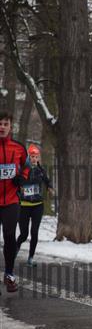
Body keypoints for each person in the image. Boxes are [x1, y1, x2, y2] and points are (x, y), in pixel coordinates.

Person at [0, 110, 28, 293]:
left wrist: (22, 178)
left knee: (9, 236)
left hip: (11, 200)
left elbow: (27, 166)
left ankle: (9, 274)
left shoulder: (18, 148)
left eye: (5, 124)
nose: (2, 127)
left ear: (10, 127)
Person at [16, 144, 54, 267]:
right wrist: (20, 188)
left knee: (34, 232)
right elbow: (16, 182)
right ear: (29, 157)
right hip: (24, 206)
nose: (34, 159)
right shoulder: (22, 169)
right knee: (24, 234)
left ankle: (31, 258)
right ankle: (15, 249)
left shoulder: (40, 170)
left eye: (36, 157)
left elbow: (47, 181)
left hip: (38, 205)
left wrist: (50, 188)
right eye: (32, 156)